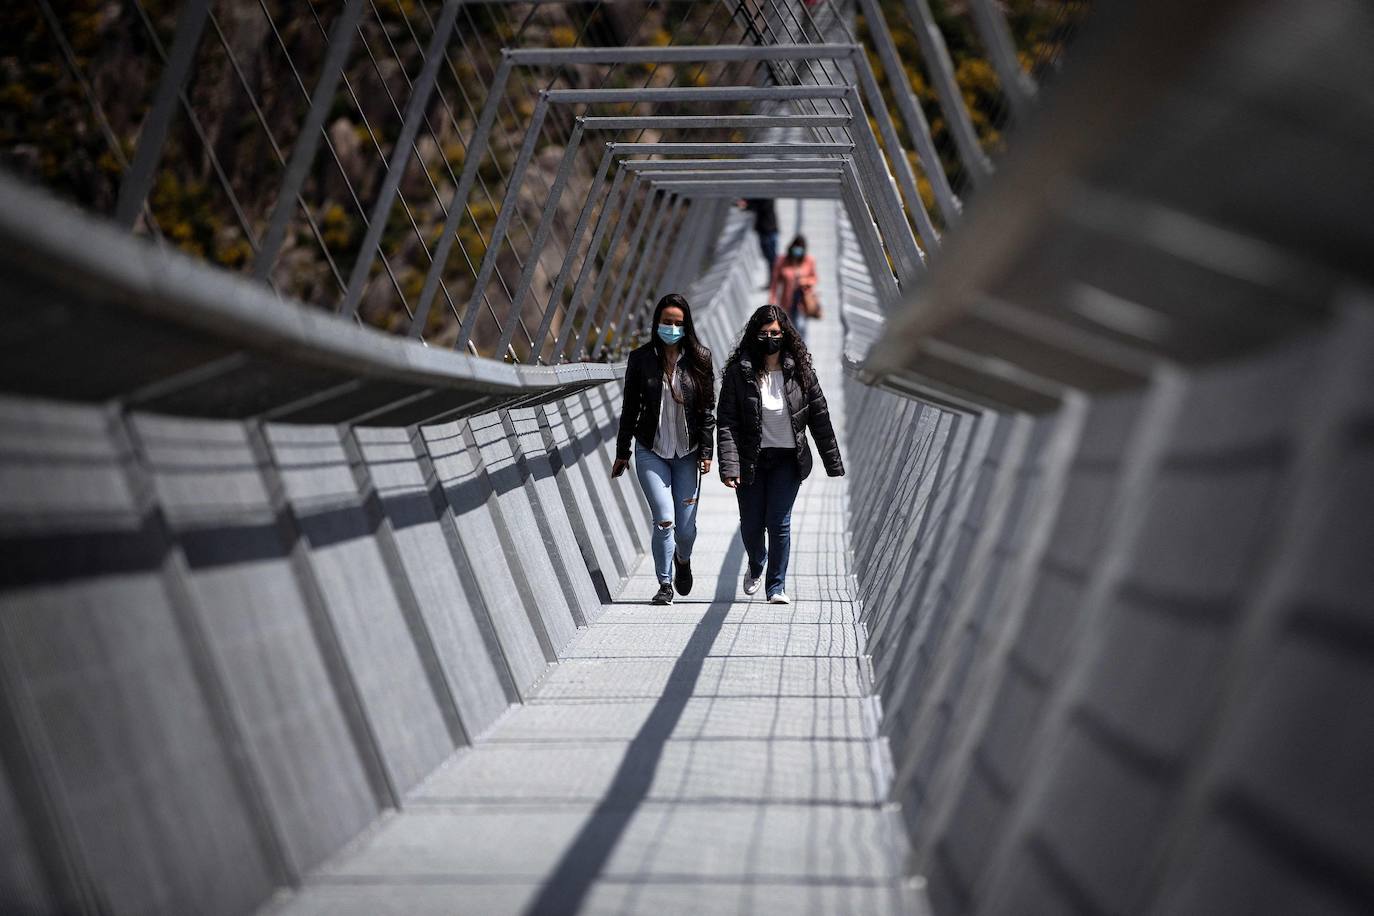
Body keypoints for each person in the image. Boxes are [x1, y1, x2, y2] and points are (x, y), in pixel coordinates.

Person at [716, 304, 843, 604]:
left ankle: (776, 586)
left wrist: (832, 462)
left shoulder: (801, 374)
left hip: (788, 459)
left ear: (785, 334)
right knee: (750, 523)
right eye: (764, 333)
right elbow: (727, 423)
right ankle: (757, 562)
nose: (770, 338)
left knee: (779, 521)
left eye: (775, 333)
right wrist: (729, 466)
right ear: (753, 336)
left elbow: (820, 418)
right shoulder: (739, 374)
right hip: (752, 460)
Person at [612, 293, 716, 605]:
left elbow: (708, 409)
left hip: (687, 453)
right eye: (666, 322)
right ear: (657, 322)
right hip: (651, 450)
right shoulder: (641, 359)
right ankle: (664, 583)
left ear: (686, 326)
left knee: (684, 531)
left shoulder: (700, 358)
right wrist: (622, 452)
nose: (671, 327)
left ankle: (682, 560)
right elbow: (630, 408)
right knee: (664, 519)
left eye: (677, 323)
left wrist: (707, 452)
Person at [770, 234, 819, 340]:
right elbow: (774, 282)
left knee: (800, 326)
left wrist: (804, 281)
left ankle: (802, 352)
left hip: (802, 301)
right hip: (787, 301)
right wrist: (772, 301)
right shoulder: (782, 261)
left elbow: (814, 279)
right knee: (789, 327)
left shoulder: (808, 260)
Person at [738, 198, 778, 290]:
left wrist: (747, 204)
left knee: (771, 258)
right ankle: (773, 281)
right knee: (769, 258)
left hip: (768, 230)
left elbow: (761, 205)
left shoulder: (767, 196)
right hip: (766, 230)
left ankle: (774, 282)